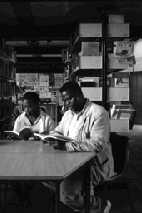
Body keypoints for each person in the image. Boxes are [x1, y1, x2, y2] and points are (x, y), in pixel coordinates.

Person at [43, 82, 115, 213]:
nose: (67, 104)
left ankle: (100, 205)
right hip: (71, 161)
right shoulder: (68, 114)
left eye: (69, 99)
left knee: (66, 196)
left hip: (93, 163)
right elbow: (59, 130)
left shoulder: (98, 113)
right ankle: (79, 198)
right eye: (64, 101)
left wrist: (66, 146)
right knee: (45, 177)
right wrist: (52, 136)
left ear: (79, 94)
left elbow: (98, 144)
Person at [10, 92, 56, 206]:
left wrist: (42, 138)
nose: (26, 109)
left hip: (42, 155)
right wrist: (14, 137)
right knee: (11, 173)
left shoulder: (47, 120)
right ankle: (23, 197)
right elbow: (16, 135)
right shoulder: (20, 119)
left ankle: (26, 196)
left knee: (32, 173)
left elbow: (54, 139)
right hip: (22, 154)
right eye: (24, 107)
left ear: (37, 104)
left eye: (29, 106)